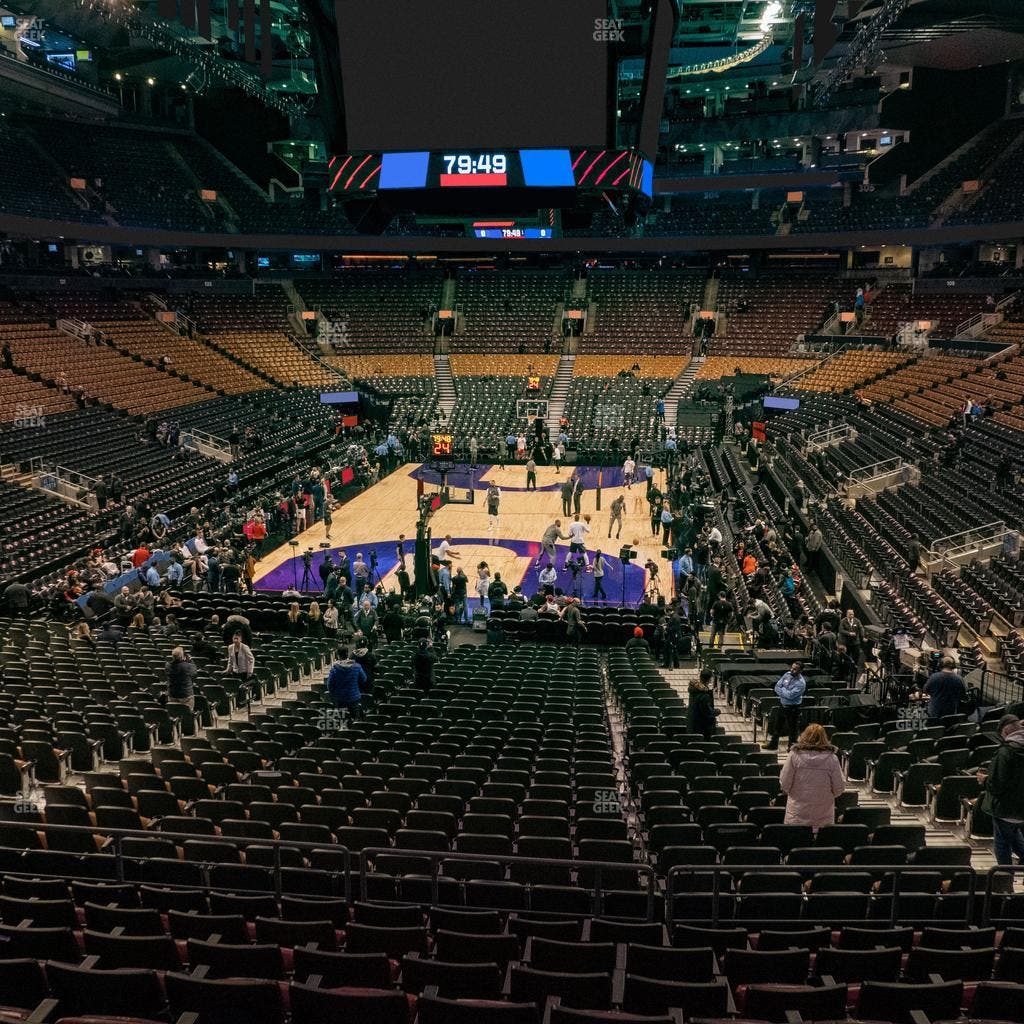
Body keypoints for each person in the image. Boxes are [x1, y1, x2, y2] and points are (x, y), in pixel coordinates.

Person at [978, 714, 1024, 889]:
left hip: (1005, 807)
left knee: (1003, 845)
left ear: (1005, 731)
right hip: (1021, 808)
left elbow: (997, 784)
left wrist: (985, 780)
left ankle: (1005, 886)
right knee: (1013, 837)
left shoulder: (1006, 752)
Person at [779, 723, 846, 830]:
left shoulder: (794, 756)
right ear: (824, 737)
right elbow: (839, 788)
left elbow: (785, 784)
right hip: (823, 815)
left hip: (797, 814)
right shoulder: (832, 759)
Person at [764, 661, 807, 750]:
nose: (792, 670)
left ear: (800, 671)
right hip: (783, 705)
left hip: (793, 708)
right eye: (792, 668)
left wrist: (782, 689)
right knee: (777, 727)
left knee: (792, 730)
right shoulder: (787, 674)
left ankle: (791, 748)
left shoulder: (801, 683)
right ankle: (773, 745)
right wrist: (784, 691)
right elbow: (776, 687)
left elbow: (790, 696)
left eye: (795, 669)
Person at [326, 646, 366, 718]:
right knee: (355, 718)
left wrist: (334, 694)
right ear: (347, 654)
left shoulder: (335, 669)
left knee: (342, 719)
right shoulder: (357, 667)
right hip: (354, 697)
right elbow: (364, 679)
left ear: (338, 655)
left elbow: (329, 685)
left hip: (340, 698)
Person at [923, 655, 965, 722]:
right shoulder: (959, 679)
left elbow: (926, 690)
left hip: (935, 713)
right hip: (952, 713)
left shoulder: (934, 677)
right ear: (954, 666)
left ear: (941, 665)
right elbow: (963, 694)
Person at [688, 668, 717, 740]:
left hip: (692, 723)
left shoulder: (694, 690)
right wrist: (717, 711)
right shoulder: (705, 695)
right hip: (702, 727)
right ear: (710, 679)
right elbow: (707, 712)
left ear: (700, 677)